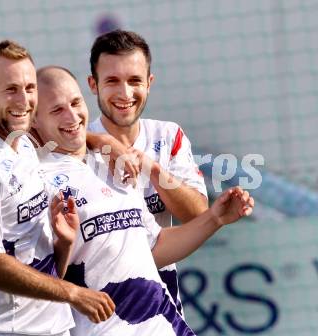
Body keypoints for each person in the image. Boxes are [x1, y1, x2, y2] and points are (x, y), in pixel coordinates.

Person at [33, 66, 254, 336]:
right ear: (34, 121)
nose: (72, 115)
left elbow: (154, 247)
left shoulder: (112, 163)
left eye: (76, 102)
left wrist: (215, 218)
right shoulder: (36, 179)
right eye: (56, 110)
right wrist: (63, 245)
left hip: (168, 327)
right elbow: (36, 281)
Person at [0, 40, 114, 335]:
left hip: (53, 327)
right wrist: (72, 293)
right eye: (10, 89)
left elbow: (40, 264)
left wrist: (62, 243)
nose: (24, 100)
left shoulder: (24, 146)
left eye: (30, 88)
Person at [86, 29, 209, 315]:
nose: (125, 93)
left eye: (134, 81)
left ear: (149, 83)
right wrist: (99, 141)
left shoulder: (167, 136)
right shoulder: (77, 144)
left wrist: (152, 169)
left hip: (161, 301)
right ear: (93, 84)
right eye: (112, 81)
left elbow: (198, 214)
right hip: (99, 305)